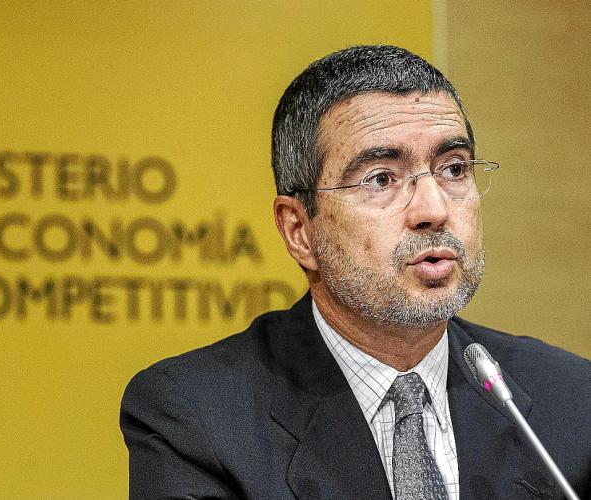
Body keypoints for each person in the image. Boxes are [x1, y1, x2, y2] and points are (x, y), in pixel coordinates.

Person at [120, 45, 591, 499]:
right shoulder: (197, 416)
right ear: (300, 231)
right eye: (381, 178)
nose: (433, 210)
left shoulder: (573, 399)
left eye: (453, 169)